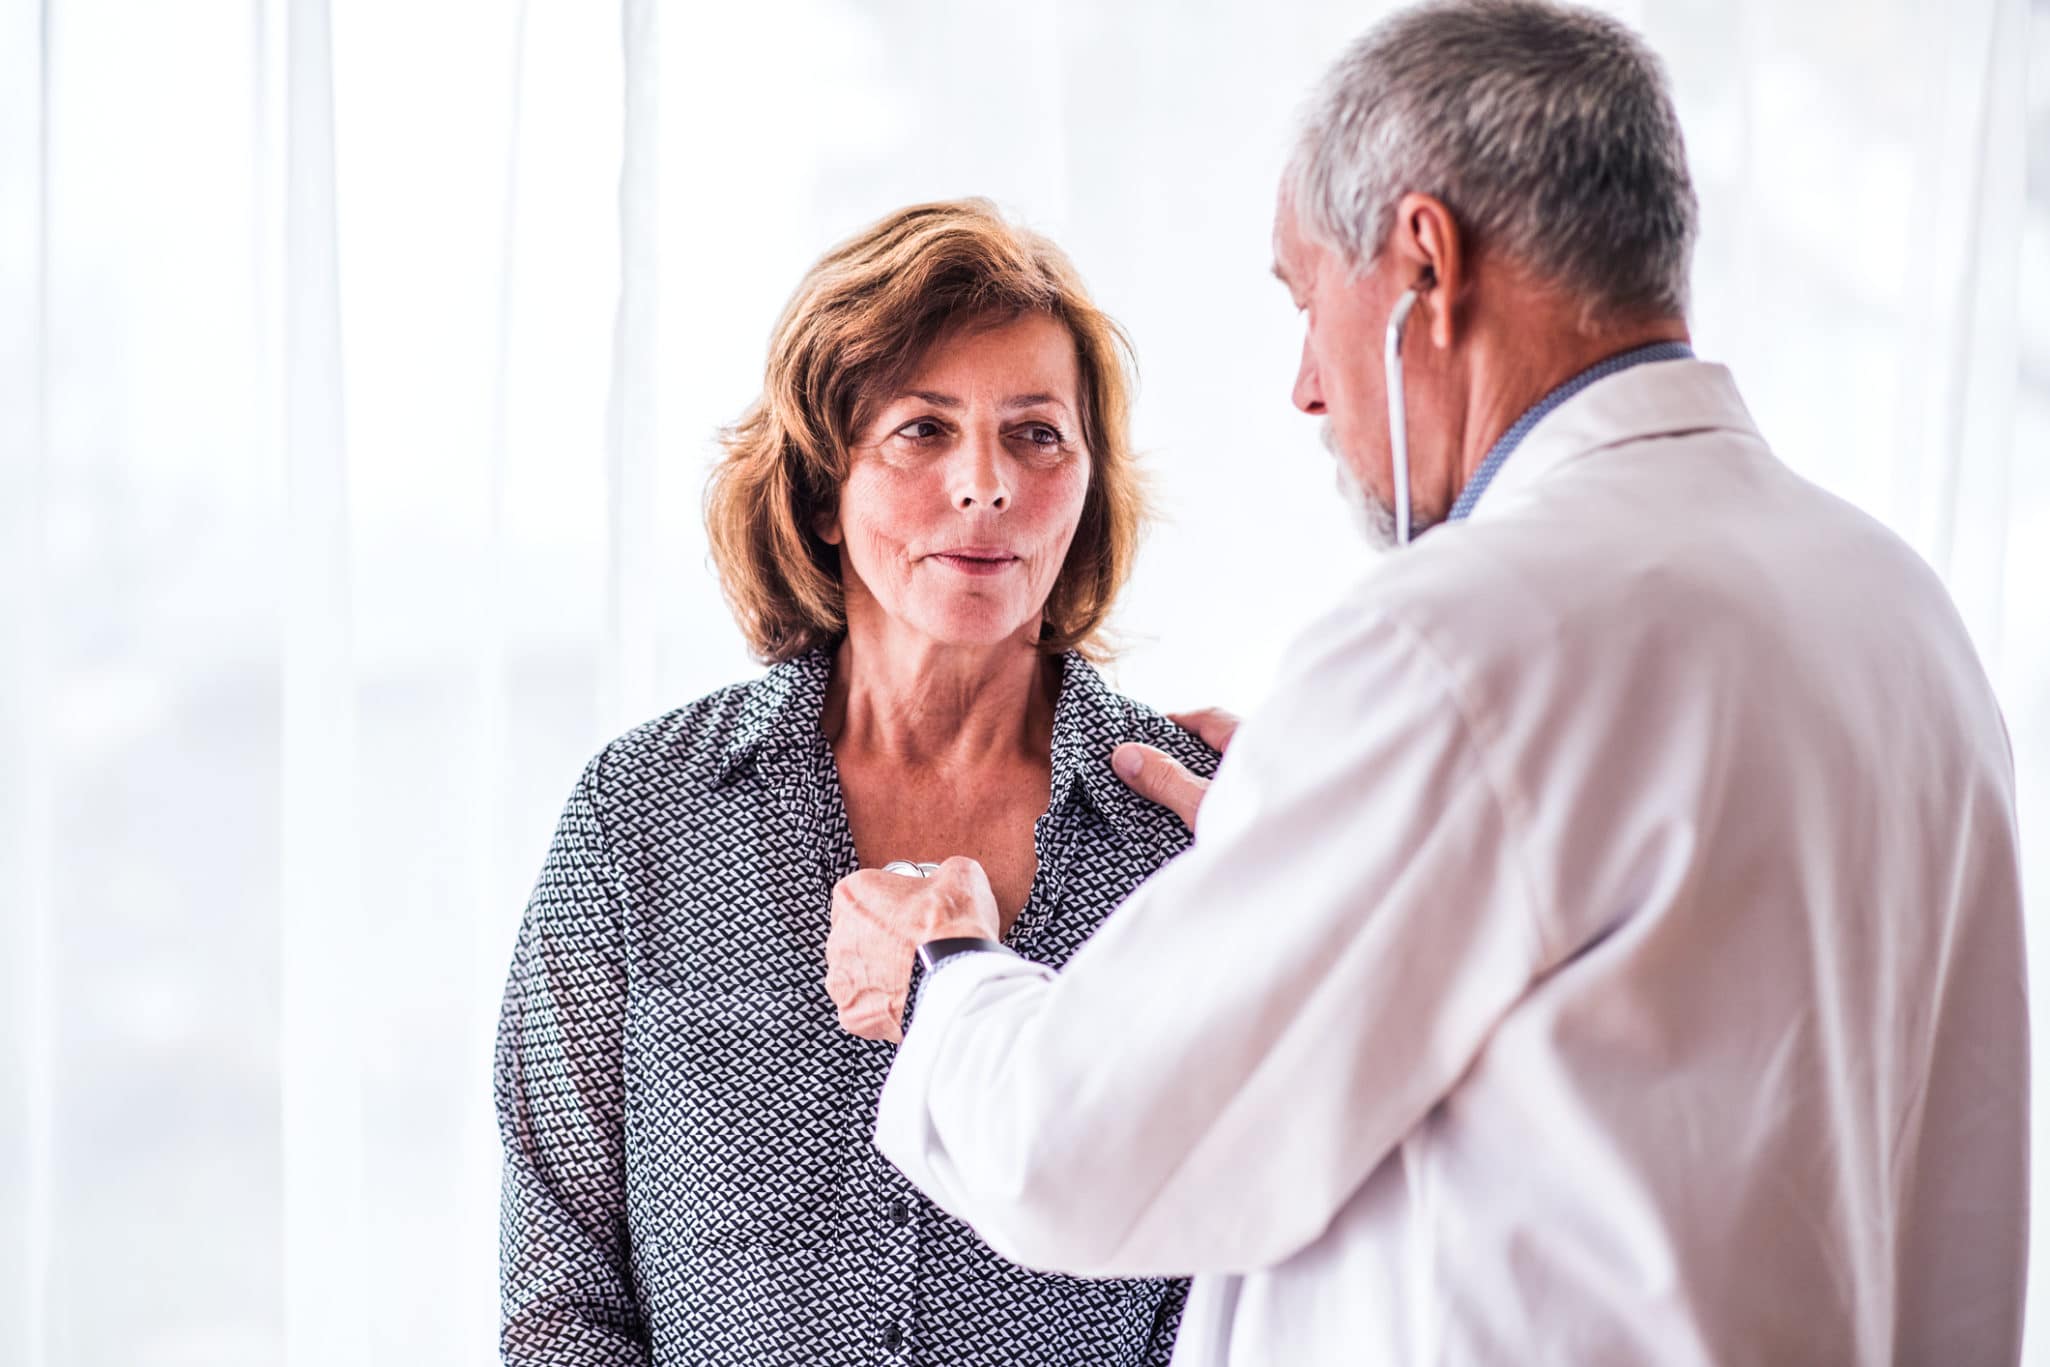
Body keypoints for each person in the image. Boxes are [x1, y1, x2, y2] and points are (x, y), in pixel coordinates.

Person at [823, 4, 2029, 1364]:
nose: (1301, 388)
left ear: (1422, 261)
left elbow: (1077, 1145)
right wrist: (1316, 838)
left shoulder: (1460, 643)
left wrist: (942, 972)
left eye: (1301, 298)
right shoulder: (1895, 611)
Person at [494, 199, 1216, 1365]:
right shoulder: (639, 815)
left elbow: (1231, 1278)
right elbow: (560, 1288)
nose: (984, 484)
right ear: (824, 488)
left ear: (1087, 486)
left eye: (1036, 434)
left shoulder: (1188, 835)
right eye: (922, 430)